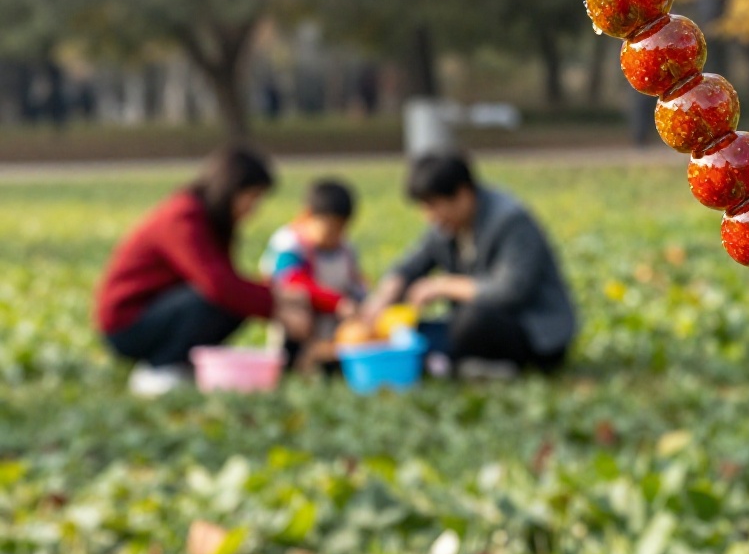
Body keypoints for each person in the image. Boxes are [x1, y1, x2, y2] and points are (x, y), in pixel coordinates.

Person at [95, 145, 311, 395]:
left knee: (237, 301)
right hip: (127, 324)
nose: (253, 208)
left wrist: (282, 297)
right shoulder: (184, 218)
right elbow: (219, 285)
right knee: (217, 299)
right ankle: (161, 367)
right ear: (231, 190)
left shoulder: (213, 220)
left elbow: (232, 283)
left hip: (164, 308)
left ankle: (182, 363)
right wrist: (277, 306)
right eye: (251, 198)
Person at [363, 152, 577, 376]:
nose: (429, 217)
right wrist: (381, 300)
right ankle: (462, 365)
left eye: (433, 206)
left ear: (463, 195)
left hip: (533, 332)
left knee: (471, 322)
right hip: (477, 326)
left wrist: (441, 286)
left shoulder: (511, 221)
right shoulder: (446, 226)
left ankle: (466, 364)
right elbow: (410, 266)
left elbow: (510, 291)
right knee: (412, 331)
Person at [260, 178, 365, 370]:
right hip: (298, 327)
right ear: (308, 216)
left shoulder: (346, 249)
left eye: (341, 229)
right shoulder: (289, 243)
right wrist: (337, 302)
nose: (335, 236)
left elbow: (356, 283)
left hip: (333, 328)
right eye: (330, 229)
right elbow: (293, 281)